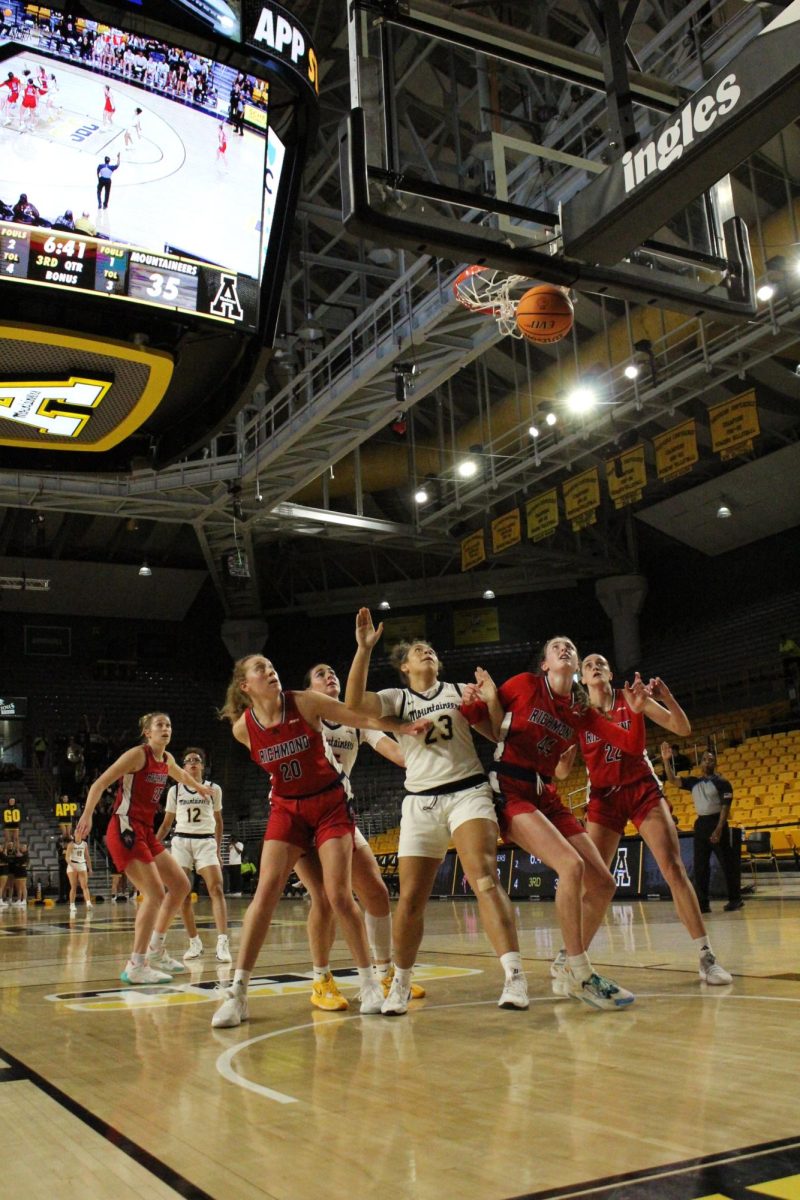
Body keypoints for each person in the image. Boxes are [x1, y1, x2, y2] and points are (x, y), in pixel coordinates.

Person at [211, 654, 429, 1029]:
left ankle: (370, 982)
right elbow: (278, 770)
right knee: (266, 893)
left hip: (330, 804)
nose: (270, 670)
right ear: (245, 686)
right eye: (260, 668)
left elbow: (361, 717)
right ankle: (239, 991)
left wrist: (405, 728)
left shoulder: (305, 703)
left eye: (271, 664)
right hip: (288, 810)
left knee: (341, 894)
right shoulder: (243, 729)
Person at [344, 609, 529, 1017]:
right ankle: (401, 983)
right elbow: (353, 702)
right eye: (416, 651)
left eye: (429, 649)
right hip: (421, 802)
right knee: (410, 899)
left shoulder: (461, 692)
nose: (425, 652)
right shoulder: (398, 699)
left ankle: (514, 974)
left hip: (468, 792)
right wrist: (362, 650)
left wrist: (491, 699)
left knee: (482, 876)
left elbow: (498, 734)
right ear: (405, 667)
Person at [469, 638, 642, 1011]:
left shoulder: (578, 711)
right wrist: (483, 701)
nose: (564, 649)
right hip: (510, 786)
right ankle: (580, 972)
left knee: (604, 883)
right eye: (556, 647)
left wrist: (639, 712)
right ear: (545, 664)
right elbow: (485, 718)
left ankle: (566, 962)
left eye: (570, 646)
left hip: (545, 792)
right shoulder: (524, 685)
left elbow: (629, 744)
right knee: (571, 865)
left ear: (576, 663)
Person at [579, 653, 732, 986]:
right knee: (594, 883)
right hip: (604, 798)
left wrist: (665, 698)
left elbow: (682, 728)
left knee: (673, 868)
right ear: (582, 677)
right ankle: (572, 958)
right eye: (589, 664)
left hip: (641, 788)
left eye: (601, 663)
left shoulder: (629, 698)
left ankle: (706, 956)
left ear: (608, 673)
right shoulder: (578, 712)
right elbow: (560, 765)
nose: (595, 666)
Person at [297, 661, 422, 1011]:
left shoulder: (351, 720)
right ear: (309, 689)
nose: (330, 675)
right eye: (320, 673)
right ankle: (321, 980)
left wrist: (425, 759)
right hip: (301, 814)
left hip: (339, 812)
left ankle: (385, 972)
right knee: (323, 897)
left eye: (332, 672)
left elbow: (393, 751)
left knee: (377, 893)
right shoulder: (305, 716)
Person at [75, 711, 214, 985]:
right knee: (154, 894)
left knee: (181, 885)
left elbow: (182, 776)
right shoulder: (138, 755)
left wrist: (199, 787)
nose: (166, 728)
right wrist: (88, 814)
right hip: (124, 827)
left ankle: (156, 950)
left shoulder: (167, 759)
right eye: (160, 725)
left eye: (169, 725)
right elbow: (100, 783)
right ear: (148, 733)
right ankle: (136, 964)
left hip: (146, 830)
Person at [155, 746, 231, 963]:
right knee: (182, 893)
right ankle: (194, 942)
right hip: (181, 841)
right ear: (184, 766)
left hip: (205, 841)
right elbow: (166, 823)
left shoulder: (213, 789)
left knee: (216, 887)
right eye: (188, 760)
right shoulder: (175, 791)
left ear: (202, 766)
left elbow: (219, 821)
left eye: (196, 760)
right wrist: (152, 844)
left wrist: (217, 849)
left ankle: (223, 941)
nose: (192, 763)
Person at [663, 745, 743, 914]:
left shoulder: (722, 783)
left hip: (717, 822)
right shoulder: (694, 782)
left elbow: (725, 807)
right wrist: (666, 761)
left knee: (727, 864)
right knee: (700, 866)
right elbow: (672, 780)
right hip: (701, 824)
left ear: (715, 763)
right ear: (700, 763)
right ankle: (703, 903)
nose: (708, 762)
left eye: (711, 760)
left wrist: (719, 828)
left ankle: (735, 899)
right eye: (705, 759)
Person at [65, 832, 93, 916]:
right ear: (74, 835)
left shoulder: (84, 844)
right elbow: (67, 857)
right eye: (77, 833)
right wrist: (72, 865)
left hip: (82, 864)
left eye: (79, 833)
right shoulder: (71, 845)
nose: (78, 835)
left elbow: (87, 856)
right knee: (73, 886)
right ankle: (72, 904)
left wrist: (90, 868)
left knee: (84, 885)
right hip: (72, 864)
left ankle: (88, 903)